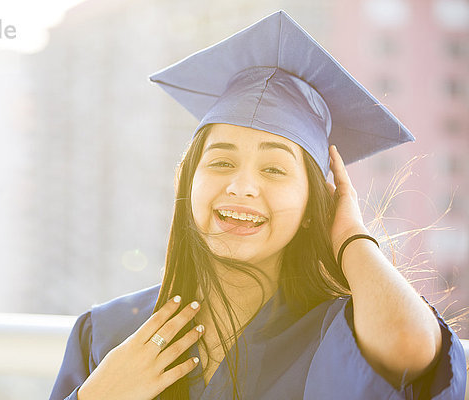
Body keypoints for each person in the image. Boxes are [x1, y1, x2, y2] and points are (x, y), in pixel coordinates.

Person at [49, 11, 466, 400]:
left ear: (311, 205)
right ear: (188, 182)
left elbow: (410, 346)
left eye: (274, 170)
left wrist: (350, 236)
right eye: (222, 162)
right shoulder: (107, 332)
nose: (242, 186)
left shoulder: (340, 333)